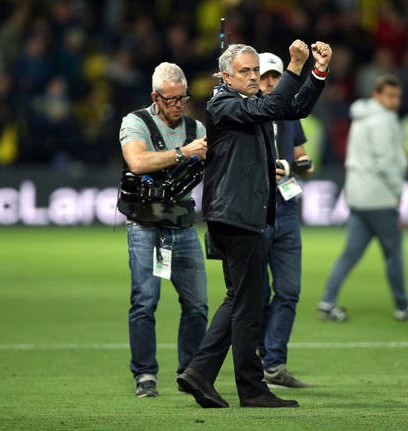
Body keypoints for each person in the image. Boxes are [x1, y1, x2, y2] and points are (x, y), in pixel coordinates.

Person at [177, 39, 331, 408]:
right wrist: (295, 65)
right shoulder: (223, 104)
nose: (253, 76)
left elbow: (293, 108)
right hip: (237, 215)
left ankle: (201, 373)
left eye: (255, 71)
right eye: (245, 71)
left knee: (242, 300)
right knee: (247, 305)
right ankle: (249, 387)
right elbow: (277, 104)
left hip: (240, 213)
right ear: (225, 76)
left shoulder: (246, 105)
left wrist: (317, 72)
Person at [118, 62, 209, 398]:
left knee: (198, 304)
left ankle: (191, 371)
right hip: (145, 224)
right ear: (155, 97)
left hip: (183, 224)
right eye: (170, 99)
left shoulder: (197, 127)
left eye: (182, 99)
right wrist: (184, 152)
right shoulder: (135, 122)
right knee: (145, 301)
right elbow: (137, 162)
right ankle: (145, 375)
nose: (177, 105)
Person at [317, 74, 408, 323]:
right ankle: (403, 306)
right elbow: (385, 161)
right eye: (390, 96)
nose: (395, 101)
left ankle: (327, 301)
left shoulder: (362, 117)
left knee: (350, 253)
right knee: (393, 254)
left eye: (397, 96)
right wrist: (398, 191)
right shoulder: (382, 120)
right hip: (379, 197)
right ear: (377, 95)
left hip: (359, 196)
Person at [257, 52, 314, 389]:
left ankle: (274, 363)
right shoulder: (248, 113)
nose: (269, 82)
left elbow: (305, 160)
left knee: (289, 290)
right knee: (257, 292)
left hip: (287, 208)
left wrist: (295, 166)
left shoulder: (291, 116)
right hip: (256, 211)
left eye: (274, 77)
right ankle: (261, 358)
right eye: (264, 77)